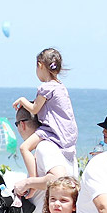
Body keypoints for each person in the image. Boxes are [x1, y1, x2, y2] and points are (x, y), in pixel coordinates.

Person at [12, 107, 77, 213]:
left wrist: (26, 183)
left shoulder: (45, 147)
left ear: (22, 124)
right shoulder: (61, 148)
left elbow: (58, 178)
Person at [12, 48, 78, 178]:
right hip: (68, 132)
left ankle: (32, 180)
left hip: (52, 130)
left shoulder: (45, 88)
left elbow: (34, 109)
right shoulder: (61, 87)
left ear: (40, 65)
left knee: (24, 148)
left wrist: (22, 100)